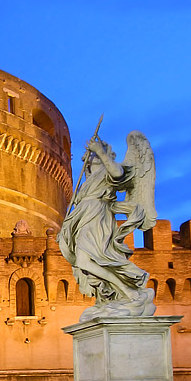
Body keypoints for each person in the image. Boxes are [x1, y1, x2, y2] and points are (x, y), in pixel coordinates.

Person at [57, 129, 157, 320]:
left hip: (97, 218)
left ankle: (129, 292)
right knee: (83, 262)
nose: (90, 155)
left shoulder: (107, 170)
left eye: (94, 152)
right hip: (83, 218)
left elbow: (118, 174)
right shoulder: (87, 182)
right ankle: (126, 292)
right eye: (90, 153)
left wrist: (100, 153)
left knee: (88, 259)